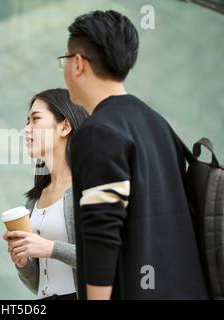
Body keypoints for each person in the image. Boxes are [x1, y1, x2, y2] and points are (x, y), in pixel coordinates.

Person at [61, 10, 210, 299]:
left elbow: (102, 234)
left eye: (65, 61)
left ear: (78, 64)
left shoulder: (96, 133)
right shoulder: (156, 122)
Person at [3, 88, 88, 300]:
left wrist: (50, 248)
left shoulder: (88, 189)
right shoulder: (33, 200)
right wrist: (23, 262)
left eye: (36, 119)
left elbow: (106, 258)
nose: (26, 129)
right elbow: (38, 284)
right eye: (27, 122)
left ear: (65, 126)